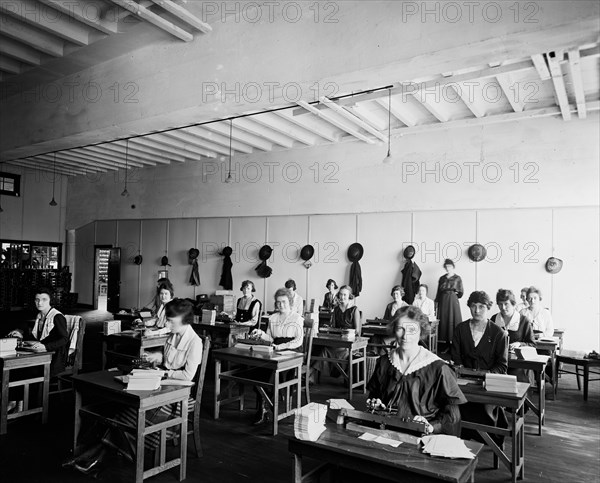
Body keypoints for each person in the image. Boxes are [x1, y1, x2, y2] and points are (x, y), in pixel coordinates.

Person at [64, 298, 204, 476]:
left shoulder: (195, 342)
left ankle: (95, 458)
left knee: (129, 415)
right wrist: (156, 357)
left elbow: (187, 376)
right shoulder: (173, 334)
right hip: (161, 384)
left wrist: (163, 374)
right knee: (121, 406)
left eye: (171, 321)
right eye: (167, 319)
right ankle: (91, 457)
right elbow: (169, 359)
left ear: (185, 321)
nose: (167, 324)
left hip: (180, 395)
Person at [366, 306, 466, 436]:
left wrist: (431, 426)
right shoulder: (385, 362)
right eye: (400, 329)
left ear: (421, 332)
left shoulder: (438, 368)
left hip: (423, 438)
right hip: (386, 433)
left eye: (412, 330)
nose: (405, 336)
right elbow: (374, 396)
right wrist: (376, 404)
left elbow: (453, 417)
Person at [451, 291, 509, 445]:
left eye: (481, 307)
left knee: (485, 414)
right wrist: (462, 371)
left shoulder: (498, 333)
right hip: (463, 385)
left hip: (487, 387)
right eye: (473, 306)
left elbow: (502, 366)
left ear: (488, 307)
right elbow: (456, 358)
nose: (476, 310)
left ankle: (488, 440)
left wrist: (486, 375)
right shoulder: (460, 329)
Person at [5, 286, 69, 414]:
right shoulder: (40, 316)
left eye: (44, 299)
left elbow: (64, 339)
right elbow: (37, 338)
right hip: (41, 354)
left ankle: (25, 405)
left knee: (28, 370)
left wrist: (46, 347)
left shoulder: (57, 317)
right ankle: (15, 402)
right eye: (37, 299)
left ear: (50, 300)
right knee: (15, 368)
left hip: (54, 357)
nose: (40, 303)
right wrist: (20, 333)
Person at [248, 288, 304, 424]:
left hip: (292, 352)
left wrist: (281, 347)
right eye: (278, 303)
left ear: (290, 302)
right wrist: (261, 333)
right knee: (258, 369)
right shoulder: (273, 318)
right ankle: (263, 407)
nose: (281, 305)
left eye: (284, 302)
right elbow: (271, 338)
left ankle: (265, 407)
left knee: (272, 373)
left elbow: (299, 340)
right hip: (276, 350)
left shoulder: (297, 318)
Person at [312, 285, 361, 378]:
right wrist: (328, 328)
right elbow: (333, 327)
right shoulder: (336, 309)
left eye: (345, 295)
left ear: (349, 296)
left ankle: (311, 373)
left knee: (324, 350)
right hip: (337, 341)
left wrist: (347, 333)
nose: (342, 297)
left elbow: (357, 331)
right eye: (341, 295)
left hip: (347, 344)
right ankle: (312, 374)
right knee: (318, 347)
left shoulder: (354, 310)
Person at [491, 289, 535, 383]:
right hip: (497, 363)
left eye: (506, 304)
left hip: (519, 366)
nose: (503, 307)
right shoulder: (494, 319)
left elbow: (532, 344)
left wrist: (519, 344)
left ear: (513, 304)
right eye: (500, 304)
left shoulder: (524, 321)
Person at [435, 259, 463, 352]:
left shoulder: (457, 278)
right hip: (443, 301)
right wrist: (437, 302)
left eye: (450, 266)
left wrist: (454, 295)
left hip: (452, 301)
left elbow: (461, 292)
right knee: (444, 322)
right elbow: (438, 292)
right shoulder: (442, 278)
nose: (448, 268)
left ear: (453, 267)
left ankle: (454, 346)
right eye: (446, 267)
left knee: (453, 321)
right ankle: (446, 345)